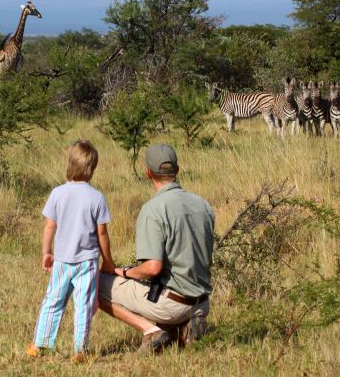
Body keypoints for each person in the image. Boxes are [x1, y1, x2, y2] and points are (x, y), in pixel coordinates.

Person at [98, 144, 215, 353]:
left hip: (172, 304)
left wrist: (124, 272)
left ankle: (152, 330)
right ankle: (184, 326)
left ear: (148, 173)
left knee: (94, 284)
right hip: (202, 303)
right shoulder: (203, 204)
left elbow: (152, 267)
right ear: (177, 171)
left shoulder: (153, 209)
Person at [26, 140, 115, 363]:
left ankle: (40, 344)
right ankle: (80, 349)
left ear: (70, 163)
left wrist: (46, 252)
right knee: (83, 305)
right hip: (88, 262)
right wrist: (108, 261)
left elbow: (49, 226)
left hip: (62, 260)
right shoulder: (97, 197)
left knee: (53, 301)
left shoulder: (57, 193)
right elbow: (102, 234)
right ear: (92, 168)